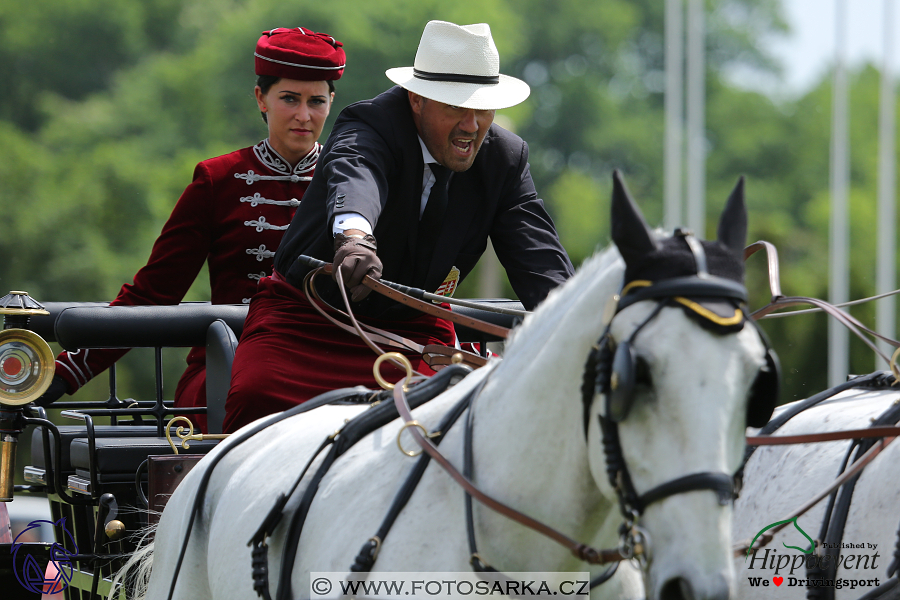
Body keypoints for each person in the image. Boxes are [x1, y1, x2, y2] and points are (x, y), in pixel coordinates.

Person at [223, 20, 574, 433]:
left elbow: (542, 263)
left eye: (482, 108)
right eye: (456, 107)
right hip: (309, 321)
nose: (472, 125)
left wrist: (582, 317)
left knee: (465, 426)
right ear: (416, 99)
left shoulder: (506, 159)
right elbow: (356, 175)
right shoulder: (369, 124)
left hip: (417, 333)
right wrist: (354, 240)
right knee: (254, 398)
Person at [37, 27, 346, 432]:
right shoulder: (218, 180)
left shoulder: (351, 179)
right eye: (289, 99)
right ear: (261, 99)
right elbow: (152, 293)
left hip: (330, 356)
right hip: (231, 361)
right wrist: (62, 374)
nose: (304, 115)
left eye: (316, 101)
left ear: (331, 103)